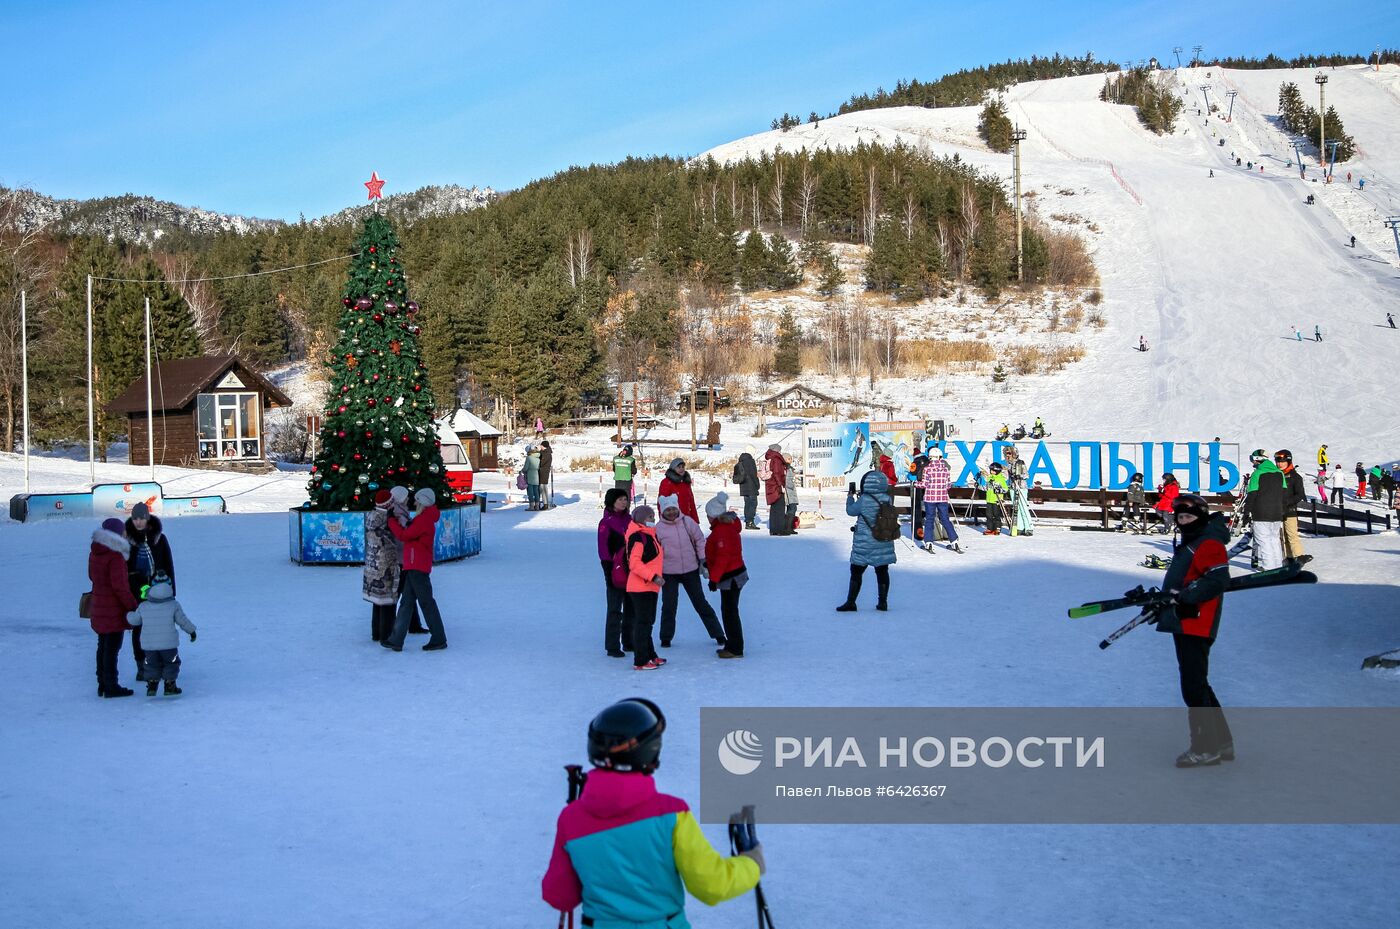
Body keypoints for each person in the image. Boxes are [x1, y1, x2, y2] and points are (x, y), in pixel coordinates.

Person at [541, 699, 763, 926]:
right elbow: (712, 886)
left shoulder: (571, 819)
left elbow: (559, 896)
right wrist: (751, 864)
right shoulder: (672, 814)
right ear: (651, 751)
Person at [1156, 493, 1234, 767]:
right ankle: (1221, 741)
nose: (1184, 521)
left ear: (1200, 517)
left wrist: (1183, 596)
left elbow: (1217, 580)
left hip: (1198, 622)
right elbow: (1186, 581)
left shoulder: (1208, 544)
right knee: (1198, 683)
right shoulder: (1193, 542)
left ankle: (1205, 747)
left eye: (1189, 517)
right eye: (1181, 517)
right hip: (1186, 620)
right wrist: (1163, 602)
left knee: (1193, 686)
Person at [654, 494, 725, 650]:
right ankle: (666, 637)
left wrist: (703, 559)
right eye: (668, 510)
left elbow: (700, 540)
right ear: (662, 512)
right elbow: (655, 550)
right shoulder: (658, 528)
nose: (671, 513)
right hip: (669, 572)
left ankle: (718, 633)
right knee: (669, 605)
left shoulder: (688, 522)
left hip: (690, 570)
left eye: (673, 509)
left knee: (700, 603)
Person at [381, 488, 447, 652]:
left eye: (417, 500)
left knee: (426, 603)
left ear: (423, 502)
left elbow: (404, 536)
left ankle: (439, 638)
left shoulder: (423, 520)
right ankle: (396, 640)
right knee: (406, 603)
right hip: (414, 564)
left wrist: (391, 522)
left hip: (417, 565)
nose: (415, 502)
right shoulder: (422, 518)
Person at [124, 502, 175, 683]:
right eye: (135, 518)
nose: (138, 522)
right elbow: (123, 568)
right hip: (137, 592)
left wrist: (172, 592)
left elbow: (168, 565)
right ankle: (142, 667)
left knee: (159, 628)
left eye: (141, 518)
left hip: (159, 590)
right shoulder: (127, 540)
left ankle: (159, 666)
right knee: (139, 629)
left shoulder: (160, 539)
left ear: (147, 518)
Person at [90, 518, 140, 698]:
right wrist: (132, 606)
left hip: (99, 605)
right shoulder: (115, 556)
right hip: (113, 609)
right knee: (112, 649)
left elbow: (92, 576)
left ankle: (102, 684)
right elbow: (120, 587)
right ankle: (111, 686)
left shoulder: (95, 552)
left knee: (103, 646)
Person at [127, 572, 196, 697]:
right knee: (171, 663)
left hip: (149, 646)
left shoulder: (143, 605)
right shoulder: (173, 605)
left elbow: (135, 620)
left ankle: (152, 685)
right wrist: (191, 631)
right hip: (169, 645)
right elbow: (182, 620)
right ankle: (170, 685)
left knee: (151, 664)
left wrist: (128, 614)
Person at [837, 470, 896, 612]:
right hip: (883, 539)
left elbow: (851, 511)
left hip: (865, 542)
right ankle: (883, 602)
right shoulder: (888, 498)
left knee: (856, 571)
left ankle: (851, 602)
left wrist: (850, 497)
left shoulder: (864, 500)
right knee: (882, 571)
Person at [705, 493, 749, 658]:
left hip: (730, 577)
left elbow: (723, 558)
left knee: (729, 613)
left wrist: (713, 579)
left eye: (709, 515)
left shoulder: (721, 531)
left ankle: (735, 648)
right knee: (730, 611)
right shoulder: (728, 526)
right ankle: (732, 644)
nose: (708, 519)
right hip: (736, 574)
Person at [625, 505, 666, 670]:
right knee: (643, 623)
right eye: (650, 517)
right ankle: (640, 660)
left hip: (650, 587)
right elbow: (634, 563)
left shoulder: (651, 535)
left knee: (647, 622)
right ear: (642, 519)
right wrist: (653, 577)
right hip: (640, 586)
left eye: (653, 516)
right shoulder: (638, 537)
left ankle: (650, 655)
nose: (653, 520)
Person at [597, 488, 635, 658]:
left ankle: (628, 641)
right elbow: (603, 549)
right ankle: (612, 645)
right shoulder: (605, 523)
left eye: (625, 499)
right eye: (620, 499)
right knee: (614, 608)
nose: (624, 502)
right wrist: (607, 571)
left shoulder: (630, 520)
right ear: (611, 501)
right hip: (614, 570)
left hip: (633, 569)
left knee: (631, 608)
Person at [364, 489, 402, 642]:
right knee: (388, 601)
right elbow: (393, 541)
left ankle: (376, 632)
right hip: (386, 564)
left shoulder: (371, 515)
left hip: (372, 564)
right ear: (389, 504)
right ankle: (386, 634)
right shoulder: (386, 519)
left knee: (377, 601)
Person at [1242, 449, 1285, 571]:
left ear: (1258, 460)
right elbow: (1284, 494)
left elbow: (1252, 495)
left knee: (1264, 541)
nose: (1252, 463)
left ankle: (1269, 568)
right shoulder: (1279, 473)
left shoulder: (1257, 474)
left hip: (1261, 513)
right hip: (1276, 513)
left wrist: (1246, 513)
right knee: (1274, 540)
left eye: (1253, 459)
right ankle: (1278, 566)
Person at [916, 449, 962, 552]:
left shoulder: (927, 469)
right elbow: (948, 485)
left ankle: (929, 543)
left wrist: (915, 484)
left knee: (930, 520)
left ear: (930, 457)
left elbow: (924, 484)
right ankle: (954, 542)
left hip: (930, 498)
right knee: (945, 519)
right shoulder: (945, 469)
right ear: (940, 457)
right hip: (942, 498)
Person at [1274, 450, 1309, 564]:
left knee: (1291, 534)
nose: (1280, 464)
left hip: (1290, 510)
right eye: (1278, 462)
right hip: (1277, 510)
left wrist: (1286, 502)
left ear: (1288, 461)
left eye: (1283, 462)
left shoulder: (1295, 477)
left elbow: (1300, 495)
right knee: (1282, 536)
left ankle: (1299, 556)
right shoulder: (1275, 475)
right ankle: (1289, 557)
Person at [763, 444, 790, 536]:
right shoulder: (777, 459)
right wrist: (781, 485)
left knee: (774, 508)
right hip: (776, 487)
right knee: (780, 508)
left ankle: (773, 529)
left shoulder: (769, 458)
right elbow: (777, 473)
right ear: (777, 451)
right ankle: (780, 529)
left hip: (770, 486)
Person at [731, 447, 760, 530]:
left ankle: (748, 521)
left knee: (747, 504)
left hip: (743, 486)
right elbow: (753, 475)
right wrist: (757, 485)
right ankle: (750, 522)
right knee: (753, 504)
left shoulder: (741, 461)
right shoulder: (750, 461)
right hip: (751, 487)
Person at [983, 462, 1008, 536]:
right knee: (989, 515)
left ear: (997, 471)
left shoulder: (1001, 479)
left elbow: (1005, 489)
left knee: (996, 514)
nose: (992, 472)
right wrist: (979, 486)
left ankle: (997, 528)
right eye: (991, 470)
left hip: (997, 500)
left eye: (993, 471)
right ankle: (990, 528)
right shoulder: (989, 478)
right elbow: (986, 488)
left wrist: (999, 490)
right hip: (989, 499)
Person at [782, 452, 800, 531]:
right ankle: (788, 527)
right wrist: (792, 484)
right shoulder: (786, 468)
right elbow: (787, 481)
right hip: (788, 493)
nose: (791, 460)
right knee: (792, 509)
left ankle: (789, 526)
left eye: (791, 459)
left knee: (792, 509)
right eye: (789, 459)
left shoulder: (789, 468)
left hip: (791, 493)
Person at [524, 444, 542, 510]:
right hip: (536, 475)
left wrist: (522, 471)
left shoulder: (529, 458)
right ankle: (537, 506)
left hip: (530, 475)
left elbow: (526, 467)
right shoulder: (538, 457)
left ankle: (531, 506)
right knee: (536, 491)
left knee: (530, 492)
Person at [538, 440, 554, 509]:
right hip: (542, 472)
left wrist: (538, 454)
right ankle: (543, 503)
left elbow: (541, 462)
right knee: (542, 488)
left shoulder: (546, 454)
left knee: (543, 488)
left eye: (541, 445)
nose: (540, 446)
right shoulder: (544, 452)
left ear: (543, 446)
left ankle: (545, 504)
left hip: (544, 473)